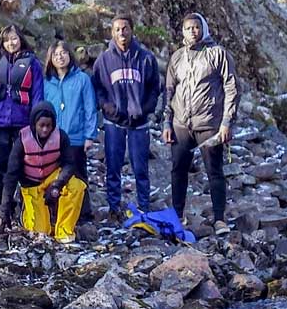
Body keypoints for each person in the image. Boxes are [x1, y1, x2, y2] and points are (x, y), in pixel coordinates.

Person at [163, 12, 238, 236]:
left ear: (203, 28)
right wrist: (166, 122)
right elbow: (168, 91)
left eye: (196, 27)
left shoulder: (218, 54)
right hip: (181, 124)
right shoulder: (177, 57)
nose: (192, 32)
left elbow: (232, 88)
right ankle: (177, 215)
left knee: (214, 170)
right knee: (178, 170)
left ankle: (219, 219)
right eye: (188, 28)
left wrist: (227, 122)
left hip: (209, 123)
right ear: (183, 32)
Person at [92, 15, 161, 222]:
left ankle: (143, 208)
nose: (122, 33)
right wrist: (107, 107)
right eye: (117, 29)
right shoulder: (104, 60)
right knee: (113, 167)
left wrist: (146, 108)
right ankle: (114, 208)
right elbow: (97, 88)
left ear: (132, 30)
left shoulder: (146, 58)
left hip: (139, 124)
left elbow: (154, 89)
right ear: (112, 33)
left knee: (140, 168)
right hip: (114, 123)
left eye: (125, 28)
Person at [0, 103, 85, 244]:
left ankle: (64, 231)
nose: (45, 130)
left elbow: (69, 164)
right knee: (40, 233)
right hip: (31, 184)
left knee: (76, 186)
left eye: (48, 126)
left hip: (52, 177)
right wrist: (4, 208)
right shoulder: (22, 141)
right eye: (41, 125)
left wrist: (57, 184)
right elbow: (11, 175)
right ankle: (26, 213)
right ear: (34, 124)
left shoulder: (61, 136)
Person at [0, 25, 43, 194]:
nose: (11, 43)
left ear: (21, 40)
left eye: (14, 39)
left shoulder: (33, 63)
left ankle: (25, 200)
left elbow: (37, 92)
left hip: (22, 122)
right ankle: (5, 200)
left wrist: (35, 117)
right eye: (7, 40)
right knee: (2, 163)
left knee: (23, 163)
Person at [43, 40, 97, 220]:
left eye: (63, 53)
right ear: (50, 58)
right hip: (53, 137)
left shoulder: (82, 79)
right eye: (56, 54)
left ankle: (84, 213)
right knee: (55, 175)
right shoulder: (47, 82)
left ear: (70, 55)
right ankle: (57, 212)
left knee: (78, 173)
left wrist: (90, 135)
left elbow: (90, 107)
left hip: (75, 136)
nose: (60, 57)